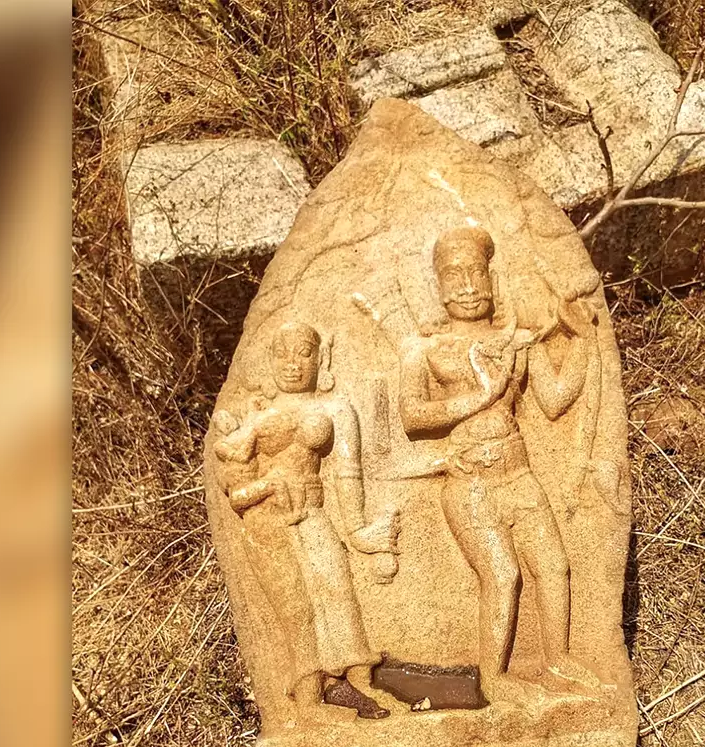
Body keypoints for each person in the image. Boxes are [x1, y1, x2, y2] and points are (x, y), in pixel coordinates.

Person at [397, 226, 600, 702]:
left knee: (554, 565)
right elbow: (413, 417)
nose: (467, 285)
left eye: (475, 272)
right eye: (453, 275)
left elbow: (554, 400)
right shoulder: (425, 350)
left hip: (519, 473)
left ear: (490, 277)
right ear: (439, 287)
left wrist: (582, 341)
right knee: (503, 574)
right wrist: (481, 395)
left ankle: (557, 659)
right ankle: (493, 678)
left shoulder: (515, 343)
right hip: (472, 484)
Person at [215, 321, 396, 719]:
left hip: (313, 511)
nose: (293, 365)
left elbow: (348, 472)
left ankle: (348, 685)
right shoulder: (254, 420)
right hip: (268, 522)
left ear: (321, 359)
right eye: (283, 354)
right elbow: (233, 481)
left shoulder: (334, 408)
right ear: (269, 361)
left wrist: (358, 529)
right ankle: (310, 700)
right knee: (295, 607)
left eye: (304, 354)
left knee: (337, 591)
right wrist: (266, 483)